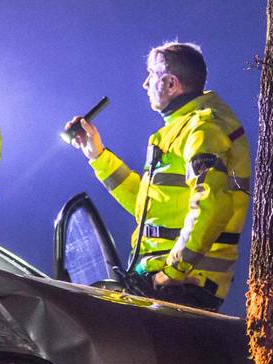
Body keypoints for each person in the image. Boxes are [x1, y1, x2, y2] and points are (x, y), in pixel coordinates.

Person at [66, 41, 250, 311]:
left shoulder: (203, 129)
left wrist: (171, 273)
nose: (145, 83)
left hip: (184, 287)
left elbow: (213, 207)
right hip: (168, 283)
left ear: (172, 84)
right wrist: (97, 155)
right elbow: (147, 210)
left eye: (152, 74)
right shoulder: (180, 129)